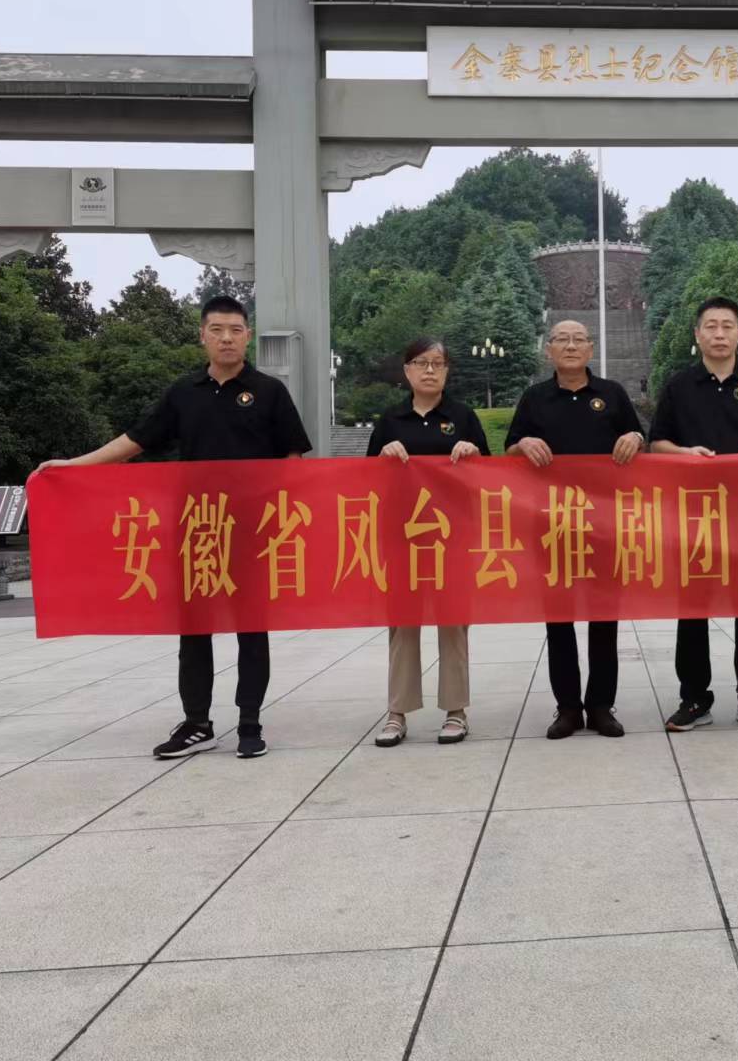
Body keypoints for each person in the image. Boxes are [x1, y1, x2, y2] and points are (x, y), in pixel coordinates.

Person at [37, 295, 311, 759]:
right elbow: (136, 440)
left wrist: (278, 514)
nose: (227, 338)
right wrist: (75, 465)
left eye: (236, 330)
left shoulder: (269, 392)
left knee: (251, 630)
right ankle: (197, 723)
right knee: (194, 631)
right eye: (217, 330)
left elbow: (292, 458)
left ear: (247, 336)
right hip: (199, 530)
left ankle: (250, 723)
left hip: (250, 534)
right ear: (202, 335)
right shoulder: (184, 392)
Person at [649, 296, 738, 732]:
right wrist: (685, 454)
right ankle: (694, 699)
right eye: (710, 326)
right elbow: (657, 443)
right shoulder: (679, 386)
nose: (719, 334)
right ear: (697, 334)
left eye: (727, 326)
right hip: (693, 515)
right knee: (693, 610)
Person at [506, 320, 646, 740]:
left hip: (604, 525)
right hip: (552, 525)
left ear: (591, 348)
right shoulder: (535, 398)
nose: (570, 346)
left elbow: (641, 440)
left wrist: (635, 437)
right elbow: (508, 450)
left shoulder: (612, 394)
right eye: (562, 340)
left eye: (578, 339)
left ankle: (601, 706)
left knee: (604, 617)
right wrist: (522, 445)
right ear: (548, 349)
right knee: (558, 620)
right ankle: (567, 707)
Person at [368, 338, 487, 748]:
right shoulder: (390, 420)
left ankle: (456, 711)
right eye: (421, 363)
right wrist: (383, 455)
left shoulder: (463, 416)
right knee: (403, 625)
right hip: (402, 538)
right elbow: (366, 480)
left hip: (452, 538)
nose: (430, 370)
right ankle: (397, 712)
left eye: (438, 363)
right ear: (407, 371)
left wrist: (473, 453)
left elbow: (490, 476)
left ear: (448, 370)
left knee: (453, 623)